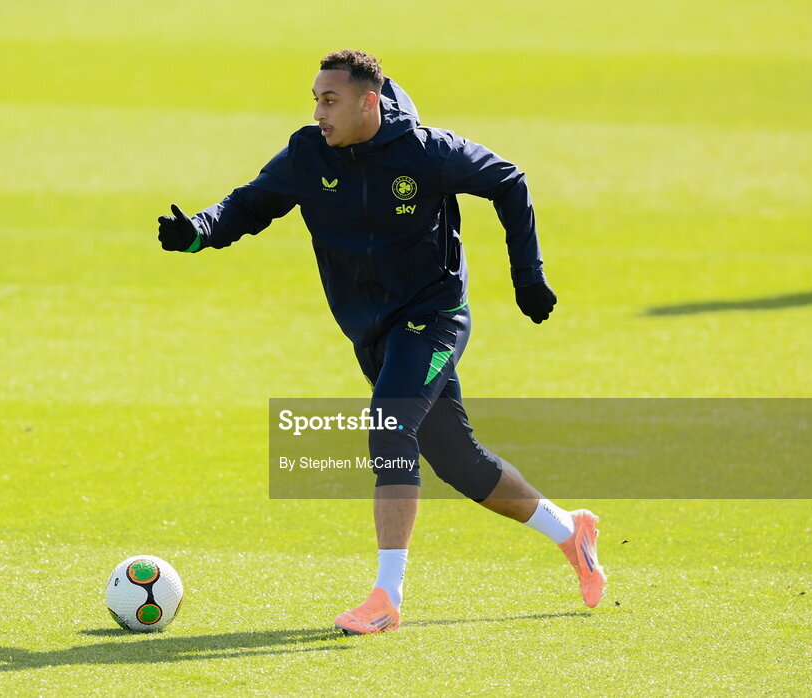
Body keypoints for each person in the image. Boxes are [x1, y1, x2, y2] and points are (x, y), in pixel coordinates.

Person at [158, 49, 605, 635]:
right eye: (316, 99)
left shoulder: (425, 150)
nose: (319, 111)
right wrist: (198, 233)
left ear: (369, 101)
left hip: (434, 316)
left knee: (390, 426)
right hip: (370, 330)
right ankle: (572, 532)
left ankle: (386, 599)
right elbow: (248, 205)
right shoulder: (306, 154)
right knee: (458, 461)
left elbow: (508, 181)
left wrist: (528, 276)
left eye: (330, 99)